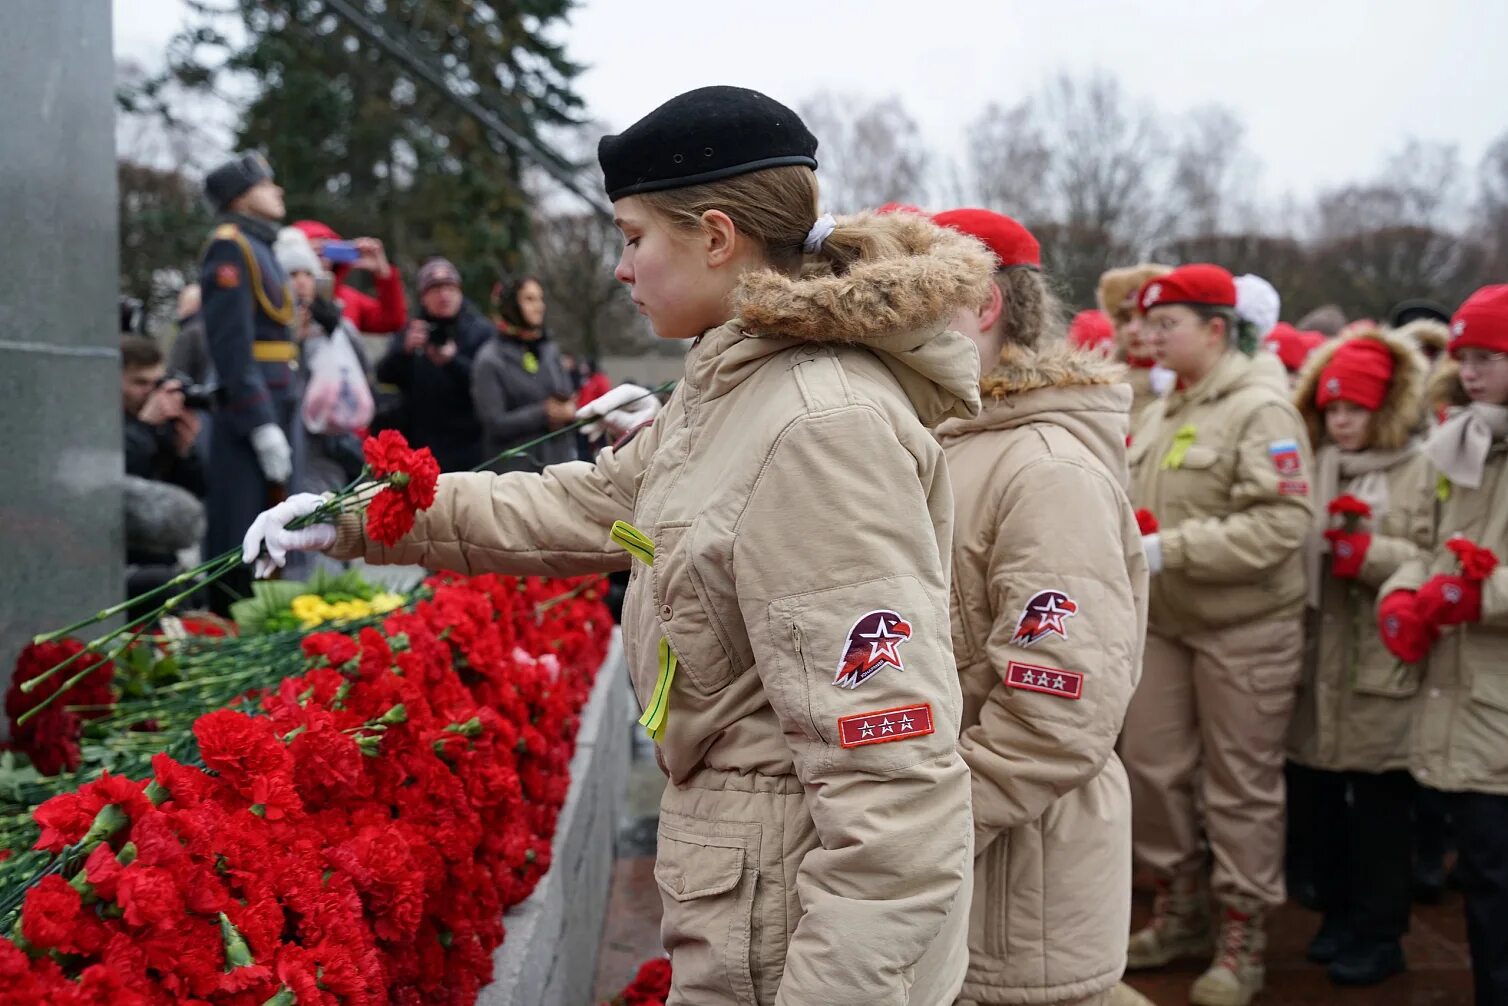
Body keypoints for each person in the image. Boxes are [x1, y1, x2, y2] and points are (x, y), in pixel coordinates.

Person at [243, 84, 987, 1005]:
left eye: (634, 238)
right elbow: (587, 503)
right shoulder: (735, 386)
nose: (621, 269)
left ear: (716, 237)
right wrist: (365, 515)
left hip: (793, 938)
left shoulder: (815, 426)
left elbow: (895, 792)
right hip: (753, 898)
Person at [931, 209, 1151, 1006]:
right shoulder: (948, 439)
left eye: (914, 297)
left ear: (984, 306)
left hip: (1018, 888)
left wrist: (917, 833)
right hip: (963, 872)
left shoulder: (1046, 469)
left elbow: (1056, 712)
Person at [1121, 264, 1314, 1006]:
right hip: (1168, 624)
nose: (1150, 335)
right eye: (1148, 322)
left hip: (1245, 628)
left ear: (1215, 329)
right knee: (1154, 771)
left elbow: (1283, 524)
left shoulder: (1260, 409)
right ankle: (1181, 910)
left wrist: (1172, 548)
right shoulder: (1167, 405)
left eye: (1166, 324)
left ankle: (1243, 932)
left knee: (1240, 786)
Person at [1284, 325, 1429, 986]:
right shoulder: (1314, 465)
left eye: (1356, 409)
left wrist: (1368, 554)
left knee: (1379, 810)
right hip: (1318, 662)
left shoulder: (1421, 469)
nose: (1341, 422)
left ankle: (1381, 931)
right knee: (1321, 805)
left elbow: (1433, 553)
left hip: (1379, 662)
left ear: (1386, 410)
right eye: (1333, 408)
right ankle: (1337, 915)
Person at [1376, 284, 1508, 1006]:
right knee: (1486, 873)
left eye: (1488, 357)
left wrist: (1486, 595)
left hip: (1495, 687)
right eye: (1465, 357)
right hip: (1469, 692)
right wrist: (1405, 591)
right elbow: (1424, 544)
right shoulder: (1460, 442)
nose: (1469, 372)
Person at [199, 152, 300, 615]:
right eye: (266, 184)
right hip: (248, 413)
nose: (277, 191)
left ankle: (254, 625)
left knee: (270, 530)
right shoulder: (231, 248)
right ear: (241, 198)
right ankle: (227, 628)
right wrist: (259, 422)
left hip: (276, 402)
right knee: (240, 532)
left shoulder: (260, 247)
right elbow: (232, 348)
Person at [374, 257, 491, 473]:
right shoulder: (413, 329)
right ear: (423, 297)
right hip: (422, 445)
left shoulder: (480, 331)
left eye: (450, 288)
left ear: (460, 292)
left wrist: (452, 361)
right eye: (435, 289)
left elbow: (488, 385)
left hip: (470, 444)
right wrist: (405, 351)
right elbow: (383, 375)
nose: (444, 296)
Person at [121, 335, 207, 620]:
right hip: (119, 558)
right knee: (166, 588)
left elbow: (197, 491)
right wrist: (144, 427)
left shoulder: (159, 425)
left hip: (161, 553)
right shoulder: (104, 423)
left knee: (199, 590)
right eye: (140, 383)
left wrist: (185, 452)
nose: (151, 393)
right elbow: (114, 478)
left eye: (156, 383)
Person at [471, 274, 578, 472]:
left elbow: (568, 395)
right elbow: (494, 423)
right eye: (529, 299)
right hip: (516, 474)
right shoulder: (490, 359)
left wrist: (570, 409)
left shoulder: (549, 350)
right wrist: (543, 413)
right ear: (510, 305)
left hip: (559, 468)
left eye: (540, 299)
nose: (539, 306)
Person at [291, 219, 408, 335]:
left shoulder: (347, 299)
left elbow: (392, 321)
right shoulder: (282, 297)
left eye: (326, 251)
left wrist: (383, 274)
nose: (321, 260)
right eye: (310, 252)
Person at [1097, 263, 1172, 420]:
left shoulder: (1195, 386)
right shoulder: (1098, 386)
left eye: (1146, 317)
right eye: (1126, 319)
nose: (1133, 329)